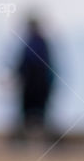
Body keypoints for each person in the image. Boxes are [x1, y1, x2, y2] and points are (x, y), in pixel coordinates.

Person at [9, 14, 58, 147]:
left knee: (36, 115)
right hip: (35, 86)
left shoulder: (36, 43)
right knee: (33, 115)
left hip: (36, 86)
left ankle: (40, 144)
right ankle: (23, 144)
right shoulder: (33, 43)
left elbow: (25, 65)